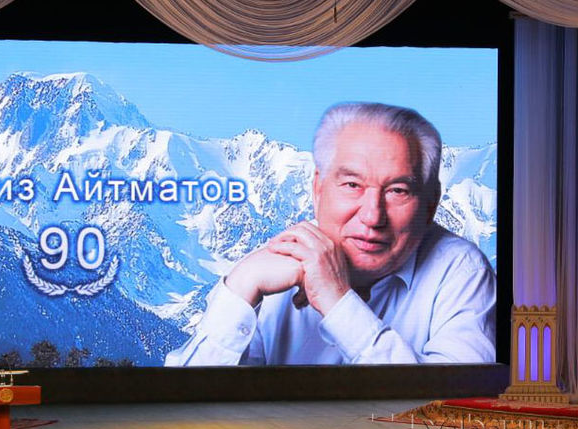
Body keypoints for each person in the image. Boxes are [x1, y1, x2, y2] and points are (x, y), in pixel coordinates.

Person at [165, 102, 496, 366]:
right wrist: (241, 286)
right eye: (352, 185)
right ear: (318, 189)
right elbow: (185, 407)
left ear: (430, 205)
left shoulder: (462, 271)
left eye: (397, 190)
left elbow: (455, 408)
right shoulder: (277, 263)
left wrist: (338, 303)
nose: (372, 216)